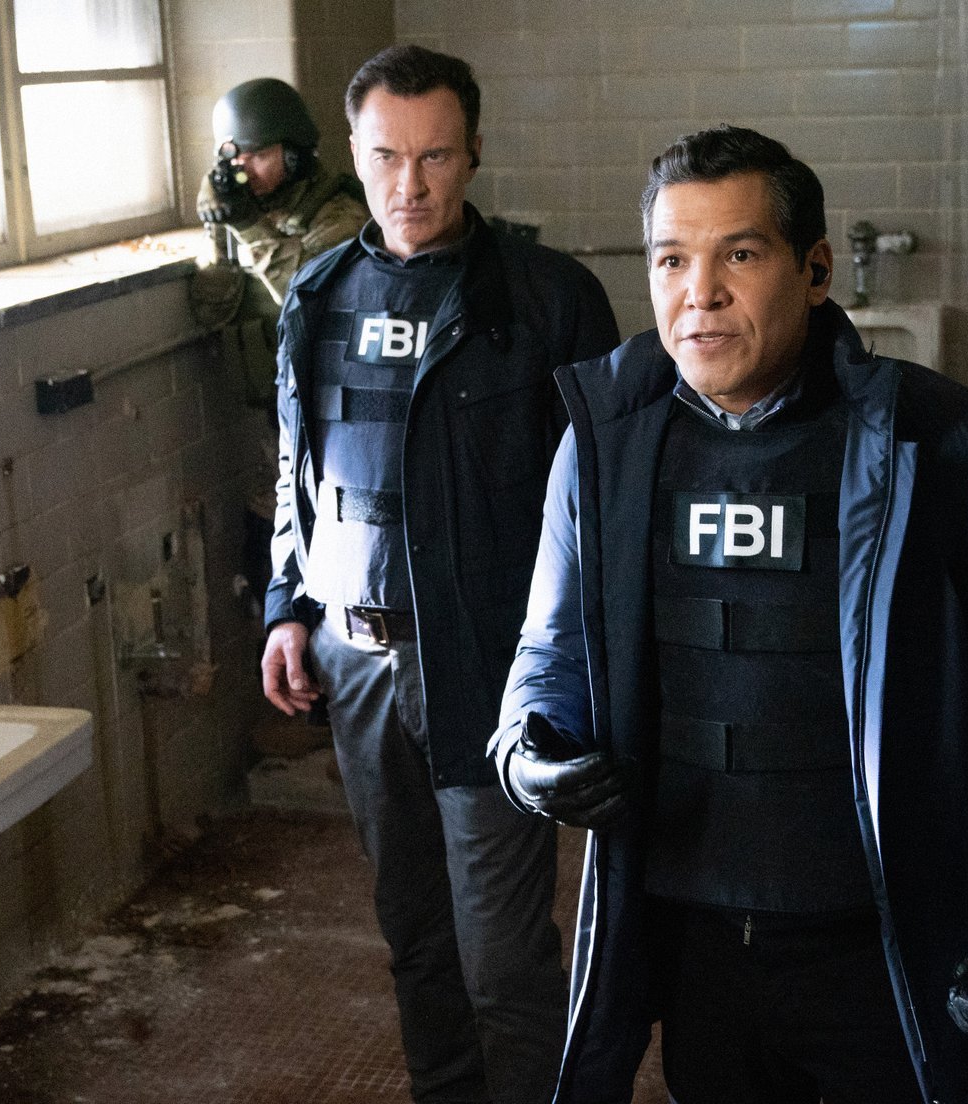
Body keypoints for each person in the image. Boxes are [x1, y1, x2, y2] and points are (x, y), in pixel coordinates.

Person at [494, 125, 968, 1104]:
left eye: (739, 254)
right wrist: (530, 748)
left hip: (883, 948)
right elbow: (552, 647)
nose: (700, 293)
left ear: (816, 269)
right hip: (698, 949)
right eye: (671, 260)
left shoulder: (949, 447)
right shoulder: (605, 450)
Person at [259, 45, 619, 1104]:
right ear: (354, 154)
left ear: (474, 154)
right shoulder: (318, 294)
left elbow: (604, 503)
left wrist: (586, 673)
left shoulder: (547, 299)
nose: (408, 186)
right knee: (414, 936)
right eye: (385, 157)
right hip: (354, 656)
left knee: (500, 955)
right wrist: (287, 608)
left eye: (435, 157)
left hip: (489, 666)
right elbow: (296, 469)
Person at [192, 77, 369, 407]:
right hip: (271, 391)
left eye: (258, 155)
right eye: (236, 159)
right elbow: (211, 311)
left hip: (327, 391)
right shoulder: (248, 207)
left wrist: (249, 227)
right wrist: (219, 222)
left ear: (293, 155)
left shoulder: (339, 212)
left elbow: (313, 305)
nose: (245, 171)